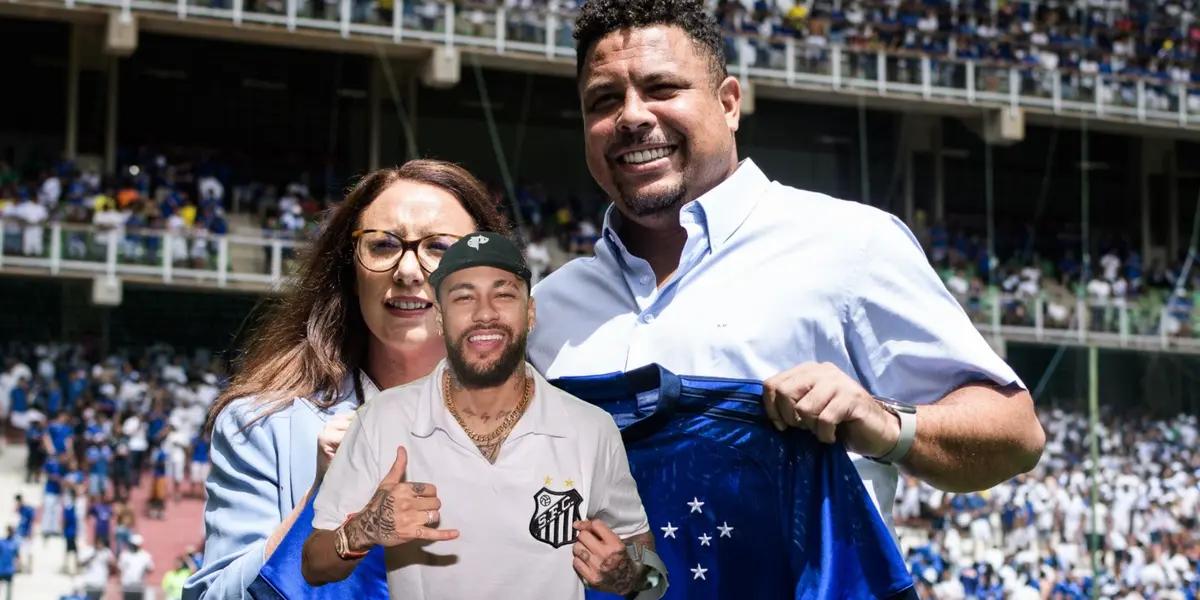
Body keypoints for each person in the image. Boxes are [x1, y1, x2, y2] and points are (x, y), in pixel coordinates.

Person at [530, 0, 1044, 539]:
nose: (632, 116)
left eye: (662, 89)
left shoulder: (849, 244)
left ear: (729, 103)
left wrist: (885, 424)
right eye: (604, 100)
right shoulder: (549, 308)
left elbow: (1016, 434)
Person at [184, 161, 508, 599]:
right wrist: (320, 502)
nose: (409, 270)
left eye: (440, 247)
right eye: (383, 245)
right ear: (351, 273)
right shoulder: (260, 425)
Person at [302, 232, 661, 598]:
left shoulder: (590, 429)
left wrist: (625, 575)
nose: (485, 313)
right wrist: (363, 530)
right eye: (463, 297)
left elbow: (651, 573)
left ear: (531, 312)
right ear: (440, 318)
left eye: (503, 294)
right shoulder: (382, 418)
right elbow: (314, 565)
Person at [119, 534, 155, 599]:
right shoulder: (125, 555)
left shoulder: (145, 556)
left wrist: (146, 570)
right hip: (127, 585)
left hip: (139, 586)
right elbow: (120, 568)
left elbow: (151, 569)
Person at [0, 526, 16, 600]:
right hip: (1, 569)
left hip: (9, 569)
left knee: (9, 590)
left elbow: (17, 556)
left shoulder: (14, 543)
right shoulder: (1, 542)